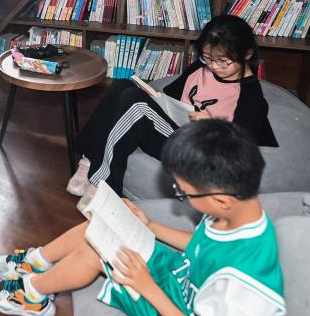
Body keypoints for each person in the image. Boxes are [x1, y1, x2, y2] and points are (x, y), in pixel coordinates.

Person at [0, 120, 286, 316]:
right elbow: (202, 246)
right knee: (103, 226)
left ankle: (34, 295)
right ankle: (38, 261)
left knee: (98, 251)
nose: (181, 198)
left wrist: (147, 287)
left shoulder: (246, 283)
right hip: (179, 279)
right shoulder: (235, 213)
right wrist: (150, 227)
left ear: (221, 200)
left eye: (183, 193)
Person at [67, 15, 277, 197]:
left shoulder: (251, 97)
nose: (213, 66)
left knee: (135, 103)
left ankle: (103, 185)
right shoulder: (201, 67)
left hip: (196, 147)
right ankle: (90, 159)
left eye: (223, 61)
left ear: (247, 54)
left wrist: (212, 126)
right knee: (122, 85)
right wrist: (155, 97)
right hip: (174, 126)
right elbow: (170, 95)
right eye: (208, 58)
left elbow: (239, 148)